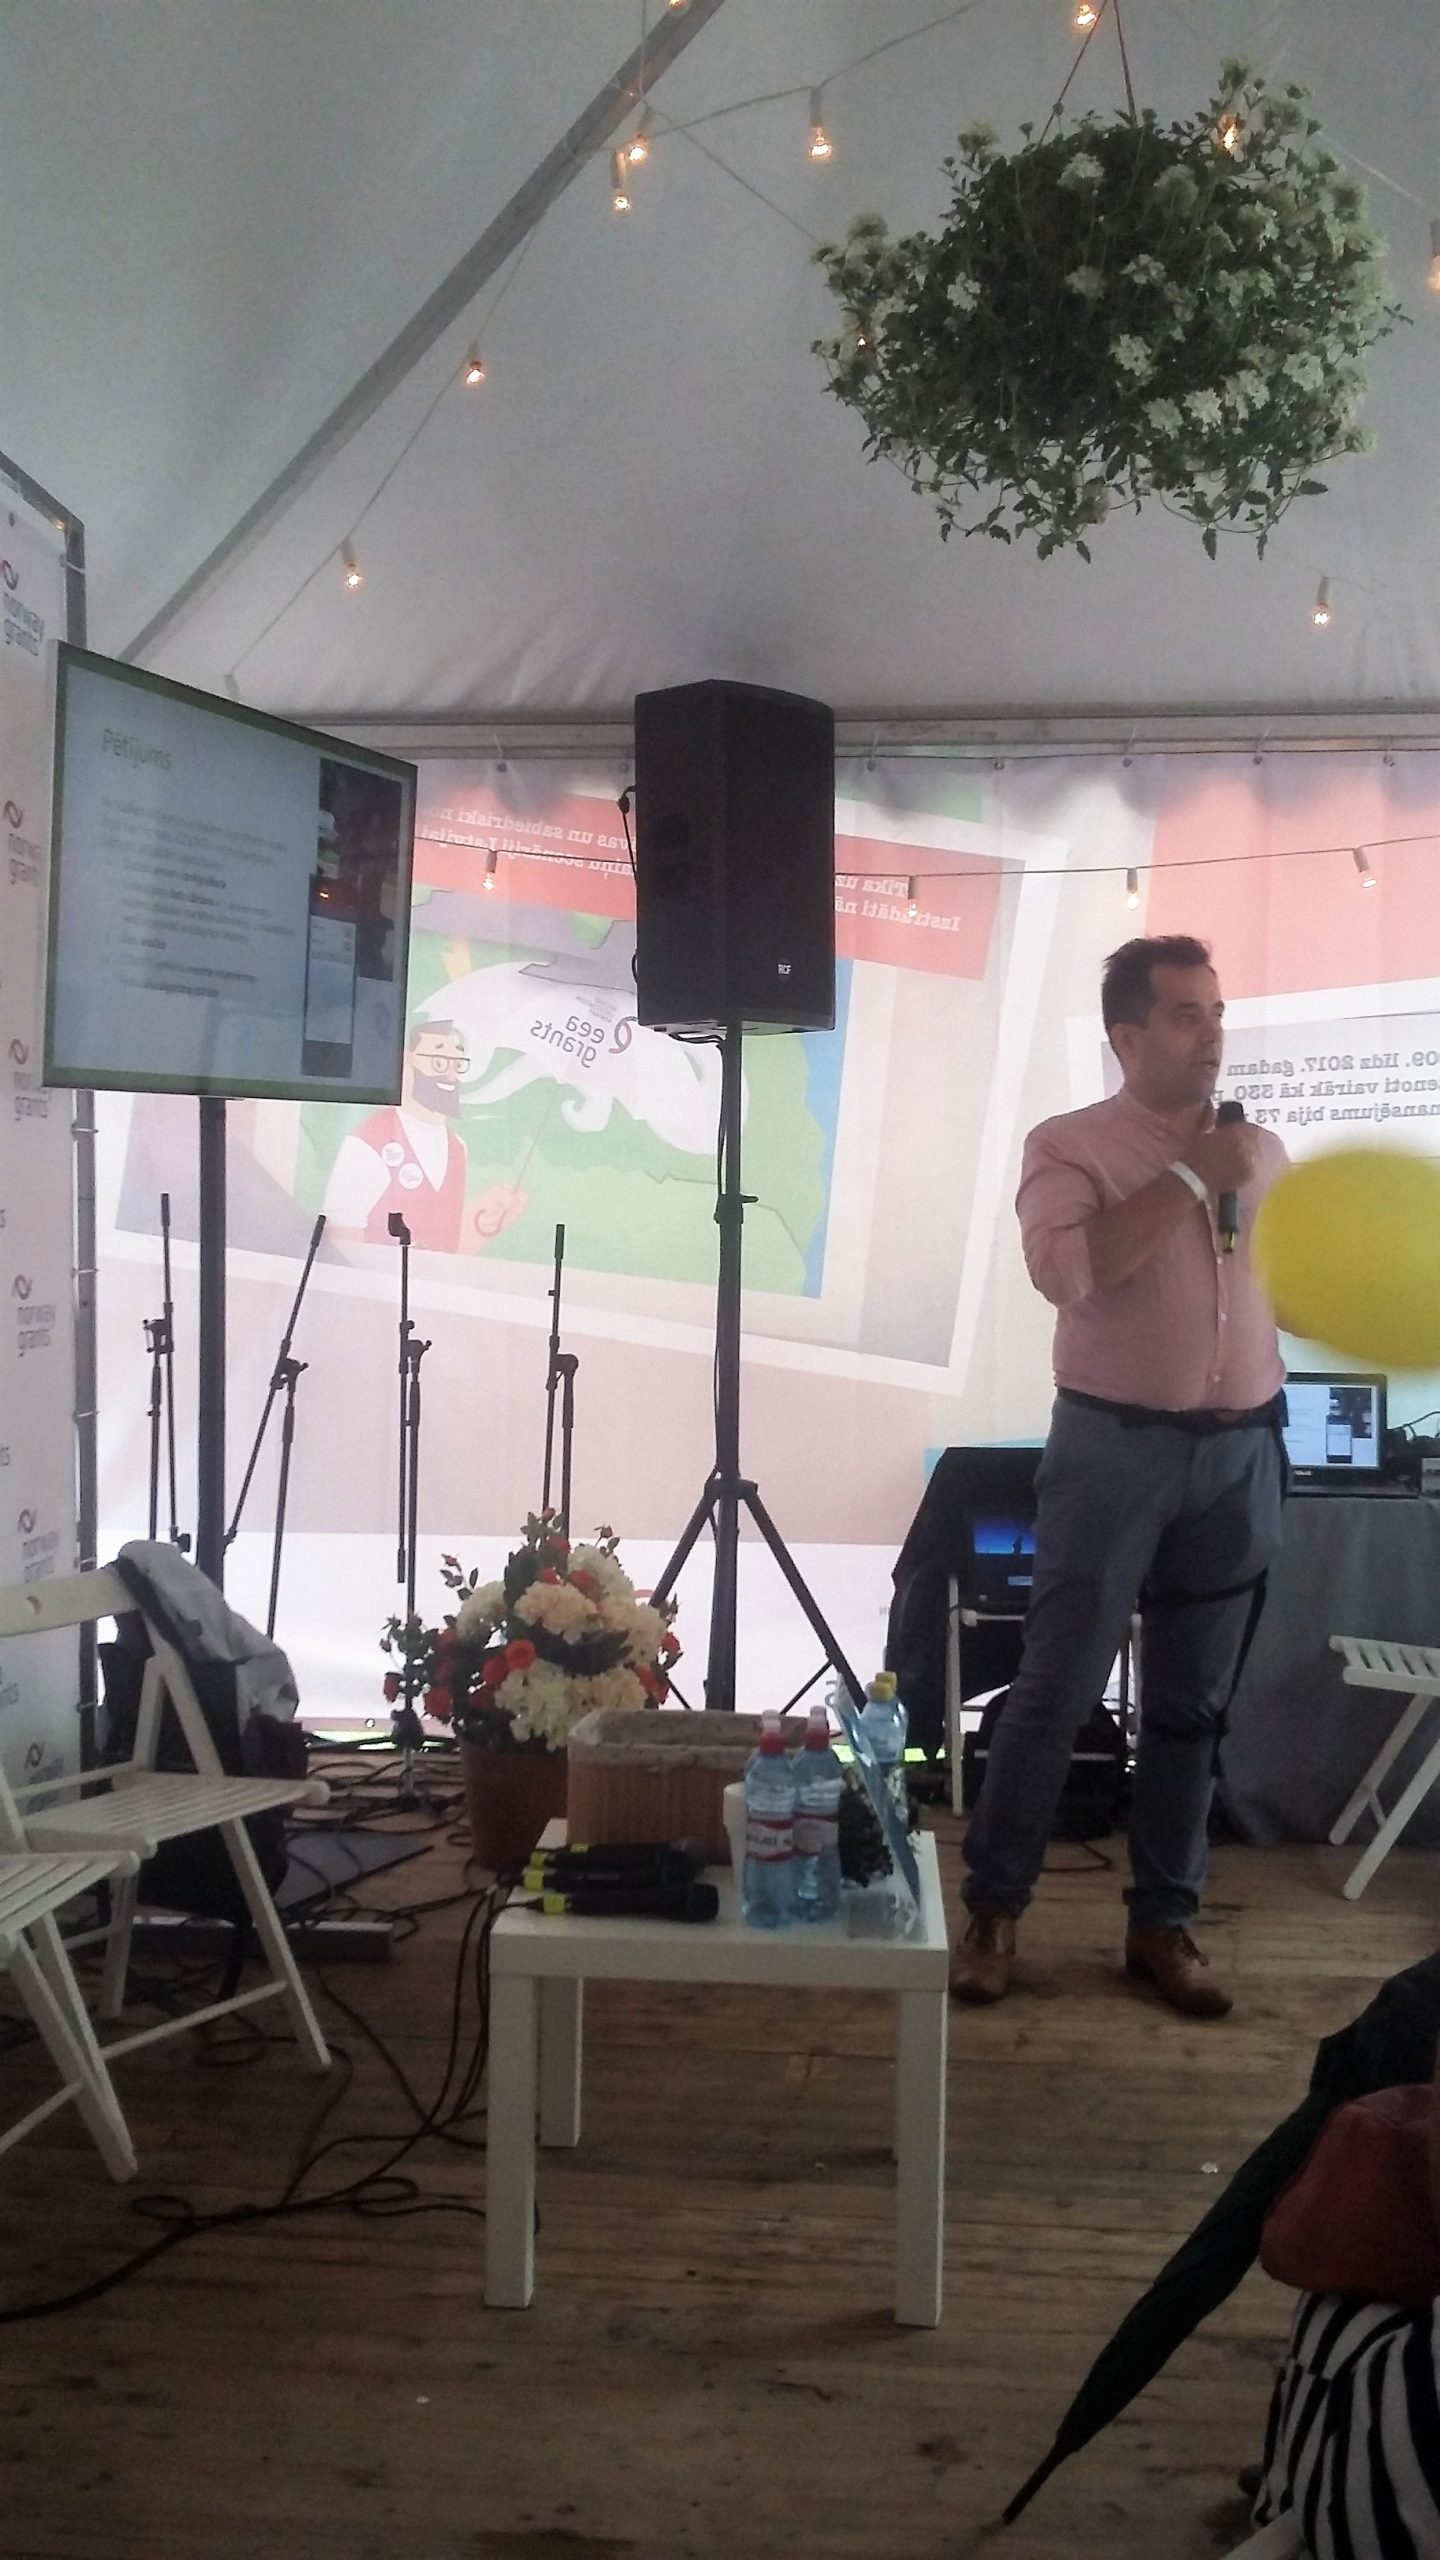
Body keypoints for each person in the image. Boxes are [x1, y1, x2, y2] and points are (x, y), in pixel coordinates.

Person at [951, 934, 1287, 2018]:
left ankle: (1162, 1925)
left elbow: (1284, 1288)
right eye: (1187, 1015)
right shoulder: (1071, 1145)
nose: (1211, 1036)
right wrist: (1192, 1178)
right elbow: (1070, 1271)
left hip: (1240, 1452)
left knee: (1192, 1708)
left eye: (1218, 1012)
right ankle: (993, 1913)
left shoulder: (1260, 1150)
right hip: (1113, 1452)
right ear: (1127, 1037)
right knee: (1055, 1691)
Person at [323, 1015, 526, 1251]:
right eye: (439, 1062)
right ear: (406, 1063)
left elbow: (447, 1249)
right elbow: (340, 1241)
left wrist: (482, 1221)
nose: (450, 1076)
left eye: (457, 1064)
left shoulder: (457, 1148)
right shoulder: (368, 1143)